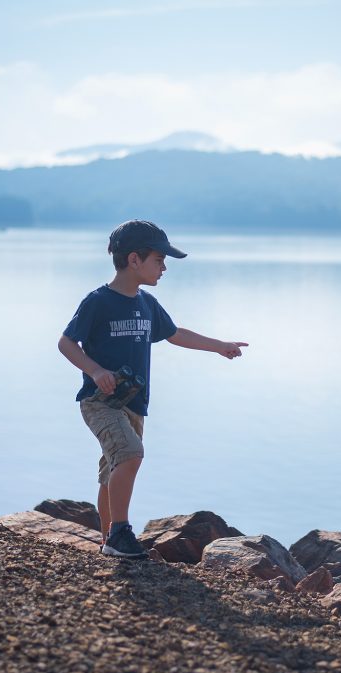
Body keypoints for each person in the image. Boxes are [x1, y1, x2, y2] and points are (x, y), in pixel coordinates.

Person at [57, 219, 248, 558]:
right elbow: (66, 343)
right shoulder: (98, 302)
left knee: (113, 469)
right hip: (100, 402)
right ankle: (120, 533)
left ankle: (108, 542)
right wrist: (95, 369)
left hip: (133, 404)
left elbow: (175, 334)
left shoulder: (147, 304)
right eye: (159, 260)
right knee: (130, 455)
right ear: (134, 260)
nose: (163, 268)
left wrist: (219, 345)